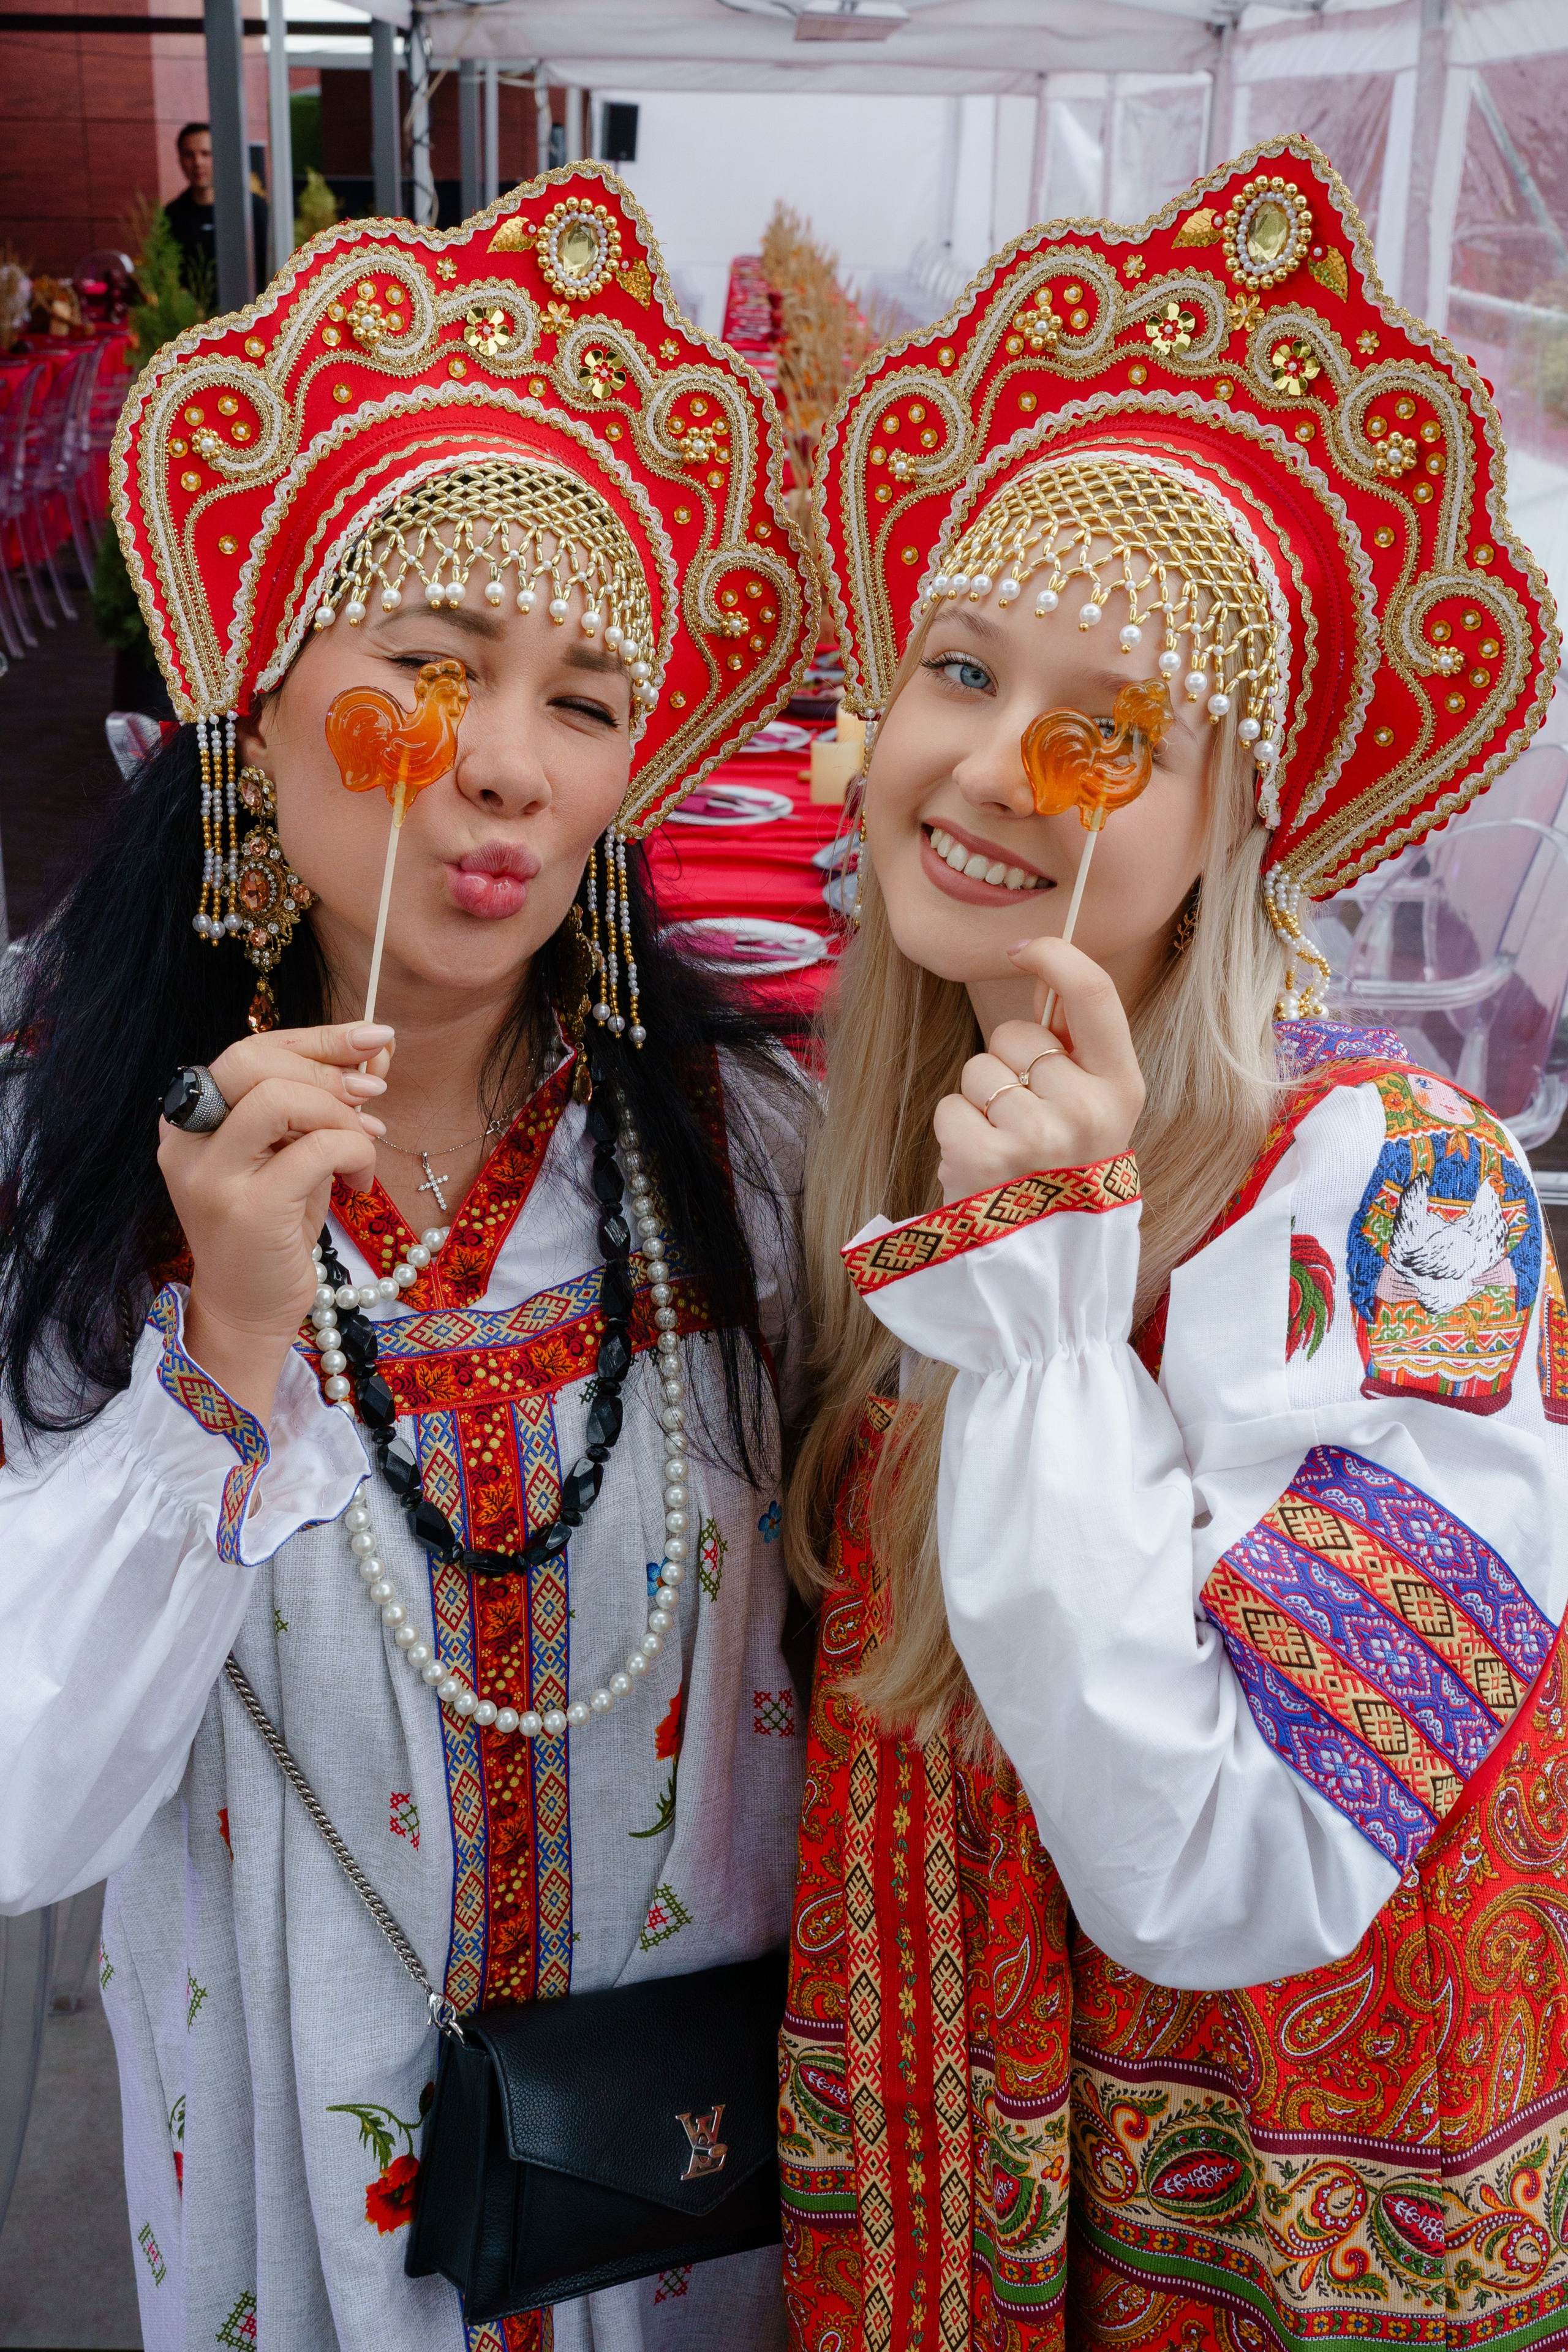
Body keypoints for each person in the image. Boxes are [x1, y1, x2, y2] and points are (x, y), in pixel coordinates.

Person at [0, 166, 816, 2350]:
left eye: (580, 699)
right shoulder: (80, 1184)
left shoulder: (746, 1166)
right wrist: (222, 1369)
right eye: (426, 672)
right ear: (250, 716)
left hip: (683, 2172)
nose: (501, 771)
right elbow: (27, 1805)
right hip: (296, 2146)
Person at [777, 138, 1568, 2347]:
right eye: (955, 667)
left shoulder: (1405, 1201)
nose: (996, 764)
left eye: (1109, 722)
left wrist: (1044, 1334)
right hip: (957, 2188)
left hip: (1257, 2265)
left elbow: (1223, 1860)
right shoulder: (855, 1156)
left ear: (1237, 818)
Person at [164, 119, 268, 298]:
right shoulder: (172, 216)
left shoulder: (253, 209)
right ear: (180, 161)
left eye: (206, 154)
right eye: (189, 155)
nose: (198, 162)